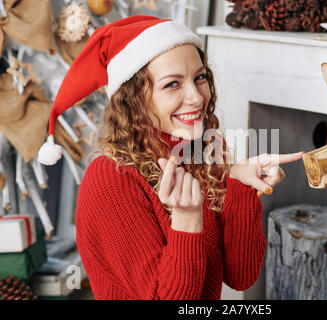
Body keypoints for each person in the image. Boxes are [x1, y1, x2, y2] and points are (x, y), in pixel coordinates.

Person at [38, 15, 304, 300]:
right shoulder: (110, 178)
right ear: (134, 99)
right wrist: (187, 219)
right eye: (172, 84)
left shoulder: (205, 151)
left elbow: (240, 276)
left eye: (199, 77)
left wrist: (241, 187)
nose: (197, 97)